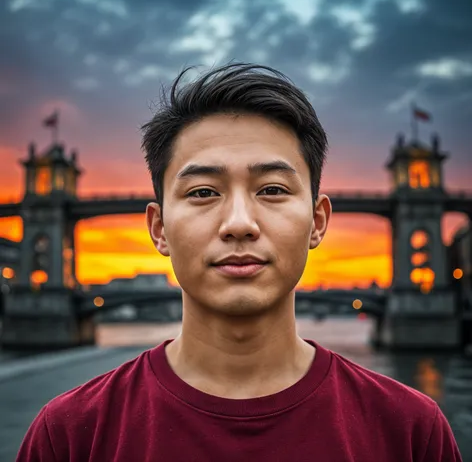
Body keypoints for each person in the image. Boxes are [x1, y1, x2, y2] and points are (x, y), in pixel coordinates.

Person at [17, 62, 462, 461]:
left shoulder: (412, 431)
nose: (239, 223)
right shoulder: (68, 437)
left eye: (271, 189)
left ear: (317, 221)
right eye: (202, 192)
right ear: (158, 228)